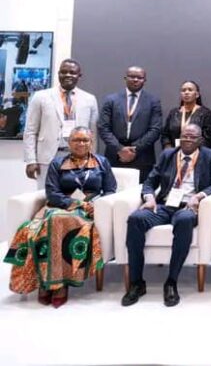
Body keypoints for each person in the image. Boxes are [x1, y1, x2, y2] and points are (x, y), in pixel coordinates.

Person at [4, 127, 117, 308]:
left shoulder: (102, 163)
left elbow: (110, 190)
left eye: (85, 140)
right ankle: (49, 282)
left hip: (89, 211)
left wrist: (96, 205)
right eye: (76, 140)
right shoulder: (57, 163)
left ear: (91, 143)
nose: (81, 144)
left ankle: (58, 284)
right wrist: (77, 203)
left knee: (58, 222)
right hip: (59, 206)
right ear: (69, 143)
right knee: (50, 222)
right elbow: (52, 193)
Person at [121, 124, 211, 307]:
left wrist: (198, 196)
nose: (187, 140)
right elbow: (150, 182)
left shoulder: (210, 157)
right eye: (185, 136)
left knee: (184, 220)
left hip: (187, 207)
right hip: (164, 204)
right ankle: (137, 282)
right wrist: (149, 197)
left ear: (200, 140)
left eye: (192, 137)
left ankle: (171, 281)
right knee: (136, 219)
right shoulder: (168, 155)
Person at [23, 59, 98, 189]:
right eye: (64, 72)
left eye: (72, 72)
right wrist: (31, 160)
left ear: (79, 75)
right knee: (46, 194)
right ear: (58, 74)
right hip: (48, 157)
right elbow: (30, 131)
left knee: (76, 194)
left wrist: (92, 158)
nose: (68, 75)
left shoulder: (89, 99)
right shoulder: (41, 97)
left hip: (79, 156)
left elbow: (93, 133)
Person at [98, 66, 163, 183]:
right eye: (132, 76)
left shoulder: (153, 101)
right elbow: (103, 127)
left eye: (139, 77)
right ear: (125, 78)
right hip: (115, 155)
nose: (135, 80)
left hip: (142, 157)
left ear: (144, 80)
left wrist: (134, 149)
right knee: (113, 190)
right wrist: (120, 149)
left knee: (140, 191)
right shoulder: (111, 100)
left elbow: (155, 129)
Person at [162, 80, 211, 149]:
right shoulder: (173, 113)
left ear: (197, 94)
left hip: (197, 152)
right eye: (183, 90)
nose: (186, 92)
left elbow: (207, 139)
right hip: (174, 151)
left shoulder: (205, 113)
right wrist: (169, 149)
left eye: (190, 90)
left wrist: (194, 151)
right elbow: (165, 135)